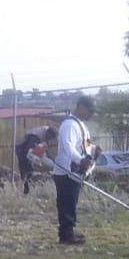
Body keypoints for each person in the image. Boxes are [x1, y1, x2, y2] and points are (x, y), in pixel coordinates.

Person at [54, 96, 98, 245]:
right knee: (66, 203)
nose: (91, 115)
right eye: (89, 111)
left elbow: (84, 145)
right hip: (66, 171)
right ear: (80, 107)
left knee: (71, 202)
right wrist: (81, 160)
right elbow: (69, 148)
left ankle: (69, 231)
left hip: (76, 172)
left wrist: (94, 150)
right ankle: (66, 235)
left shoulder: (81, 126)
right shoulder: (69, 125)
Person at [16, 125, 57, 195]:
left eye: (50, 138)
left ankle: (27, 188)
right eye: (48, 137)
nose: (48, 139)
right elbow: (29, 153)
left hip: (26, 148)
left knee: (29, 169)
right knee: (26, 168)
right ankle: (25, 189)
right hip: (21, 147)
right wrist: (38, 162)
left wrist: (53, 161)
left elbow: (47, 150)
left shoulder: (47, 132)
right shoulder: (35, 136)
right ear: (47, 133)